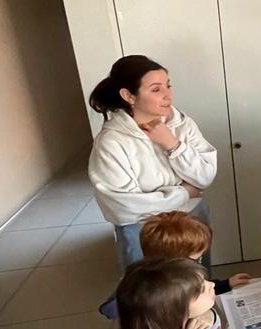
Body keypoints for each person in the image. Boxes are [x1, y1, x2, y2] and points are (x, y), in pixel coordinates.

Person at [88, 55, 217, 272]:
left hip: (192, 222)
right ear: (128, 95)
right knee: (153, 296)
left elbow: (204, 176)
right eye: (156, 89)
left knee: (199, 285)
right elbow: (123, 207)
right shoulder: (112, 141)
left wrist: (172, 144)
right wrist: (184, 193)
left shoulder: (182, 124)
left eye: (168, 85)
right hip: (145, 233)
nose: (168, 95)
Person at [98, 211, 251, 320]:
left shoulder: (181, 274)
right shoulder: (149, 282)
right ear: (172, 261)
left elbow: (196, 288)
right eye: (195, 258)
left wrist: (226, 284)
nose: (198, 262)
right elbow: (109, 308)